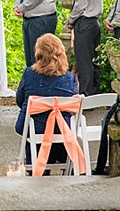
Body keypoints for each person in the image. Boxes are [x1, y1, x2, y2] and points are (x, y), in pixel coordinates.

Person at [15, 33, 79, 167]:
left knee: (30, 126)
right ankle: (63, 163)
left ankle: (35, 164)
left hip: (36, 128)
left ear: (38, 54)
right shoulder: (70, 79)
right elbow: (73, 107)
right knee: (62, 126)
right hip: (62, 130)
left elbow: (20, 100)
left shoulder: (29, 74)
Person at [65, 0, 102, 96]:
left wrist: (71, 19)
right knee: (93, 60)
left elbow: (81, 3)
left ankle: (85, 96)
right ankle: (94, 94)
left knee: (84, 61)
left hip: (85, 23)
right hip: (93, 23)